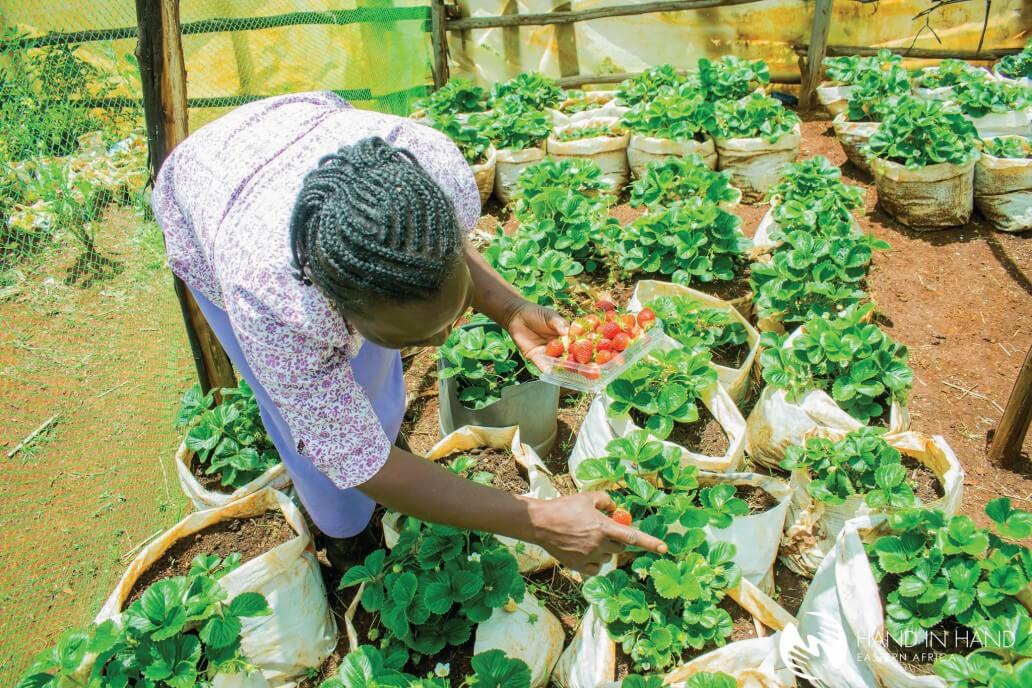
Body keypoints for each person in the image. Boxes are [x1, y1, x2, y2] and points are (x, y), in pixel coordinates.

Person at [153, 91, 665, 575]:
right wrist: (538, 520)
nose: (444, 342)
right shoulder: (270, 302)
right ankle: (348, 536)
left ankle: (389, 436)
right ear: (339, 307)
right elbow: (358, 461)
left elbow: (435, 253)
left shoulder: (432, 171)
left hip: (299, 126)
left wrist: (507, 307)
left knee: (377, 381)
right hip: (213, 191)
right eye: (418, 338)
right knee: (318, 445)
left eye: (450, 314)